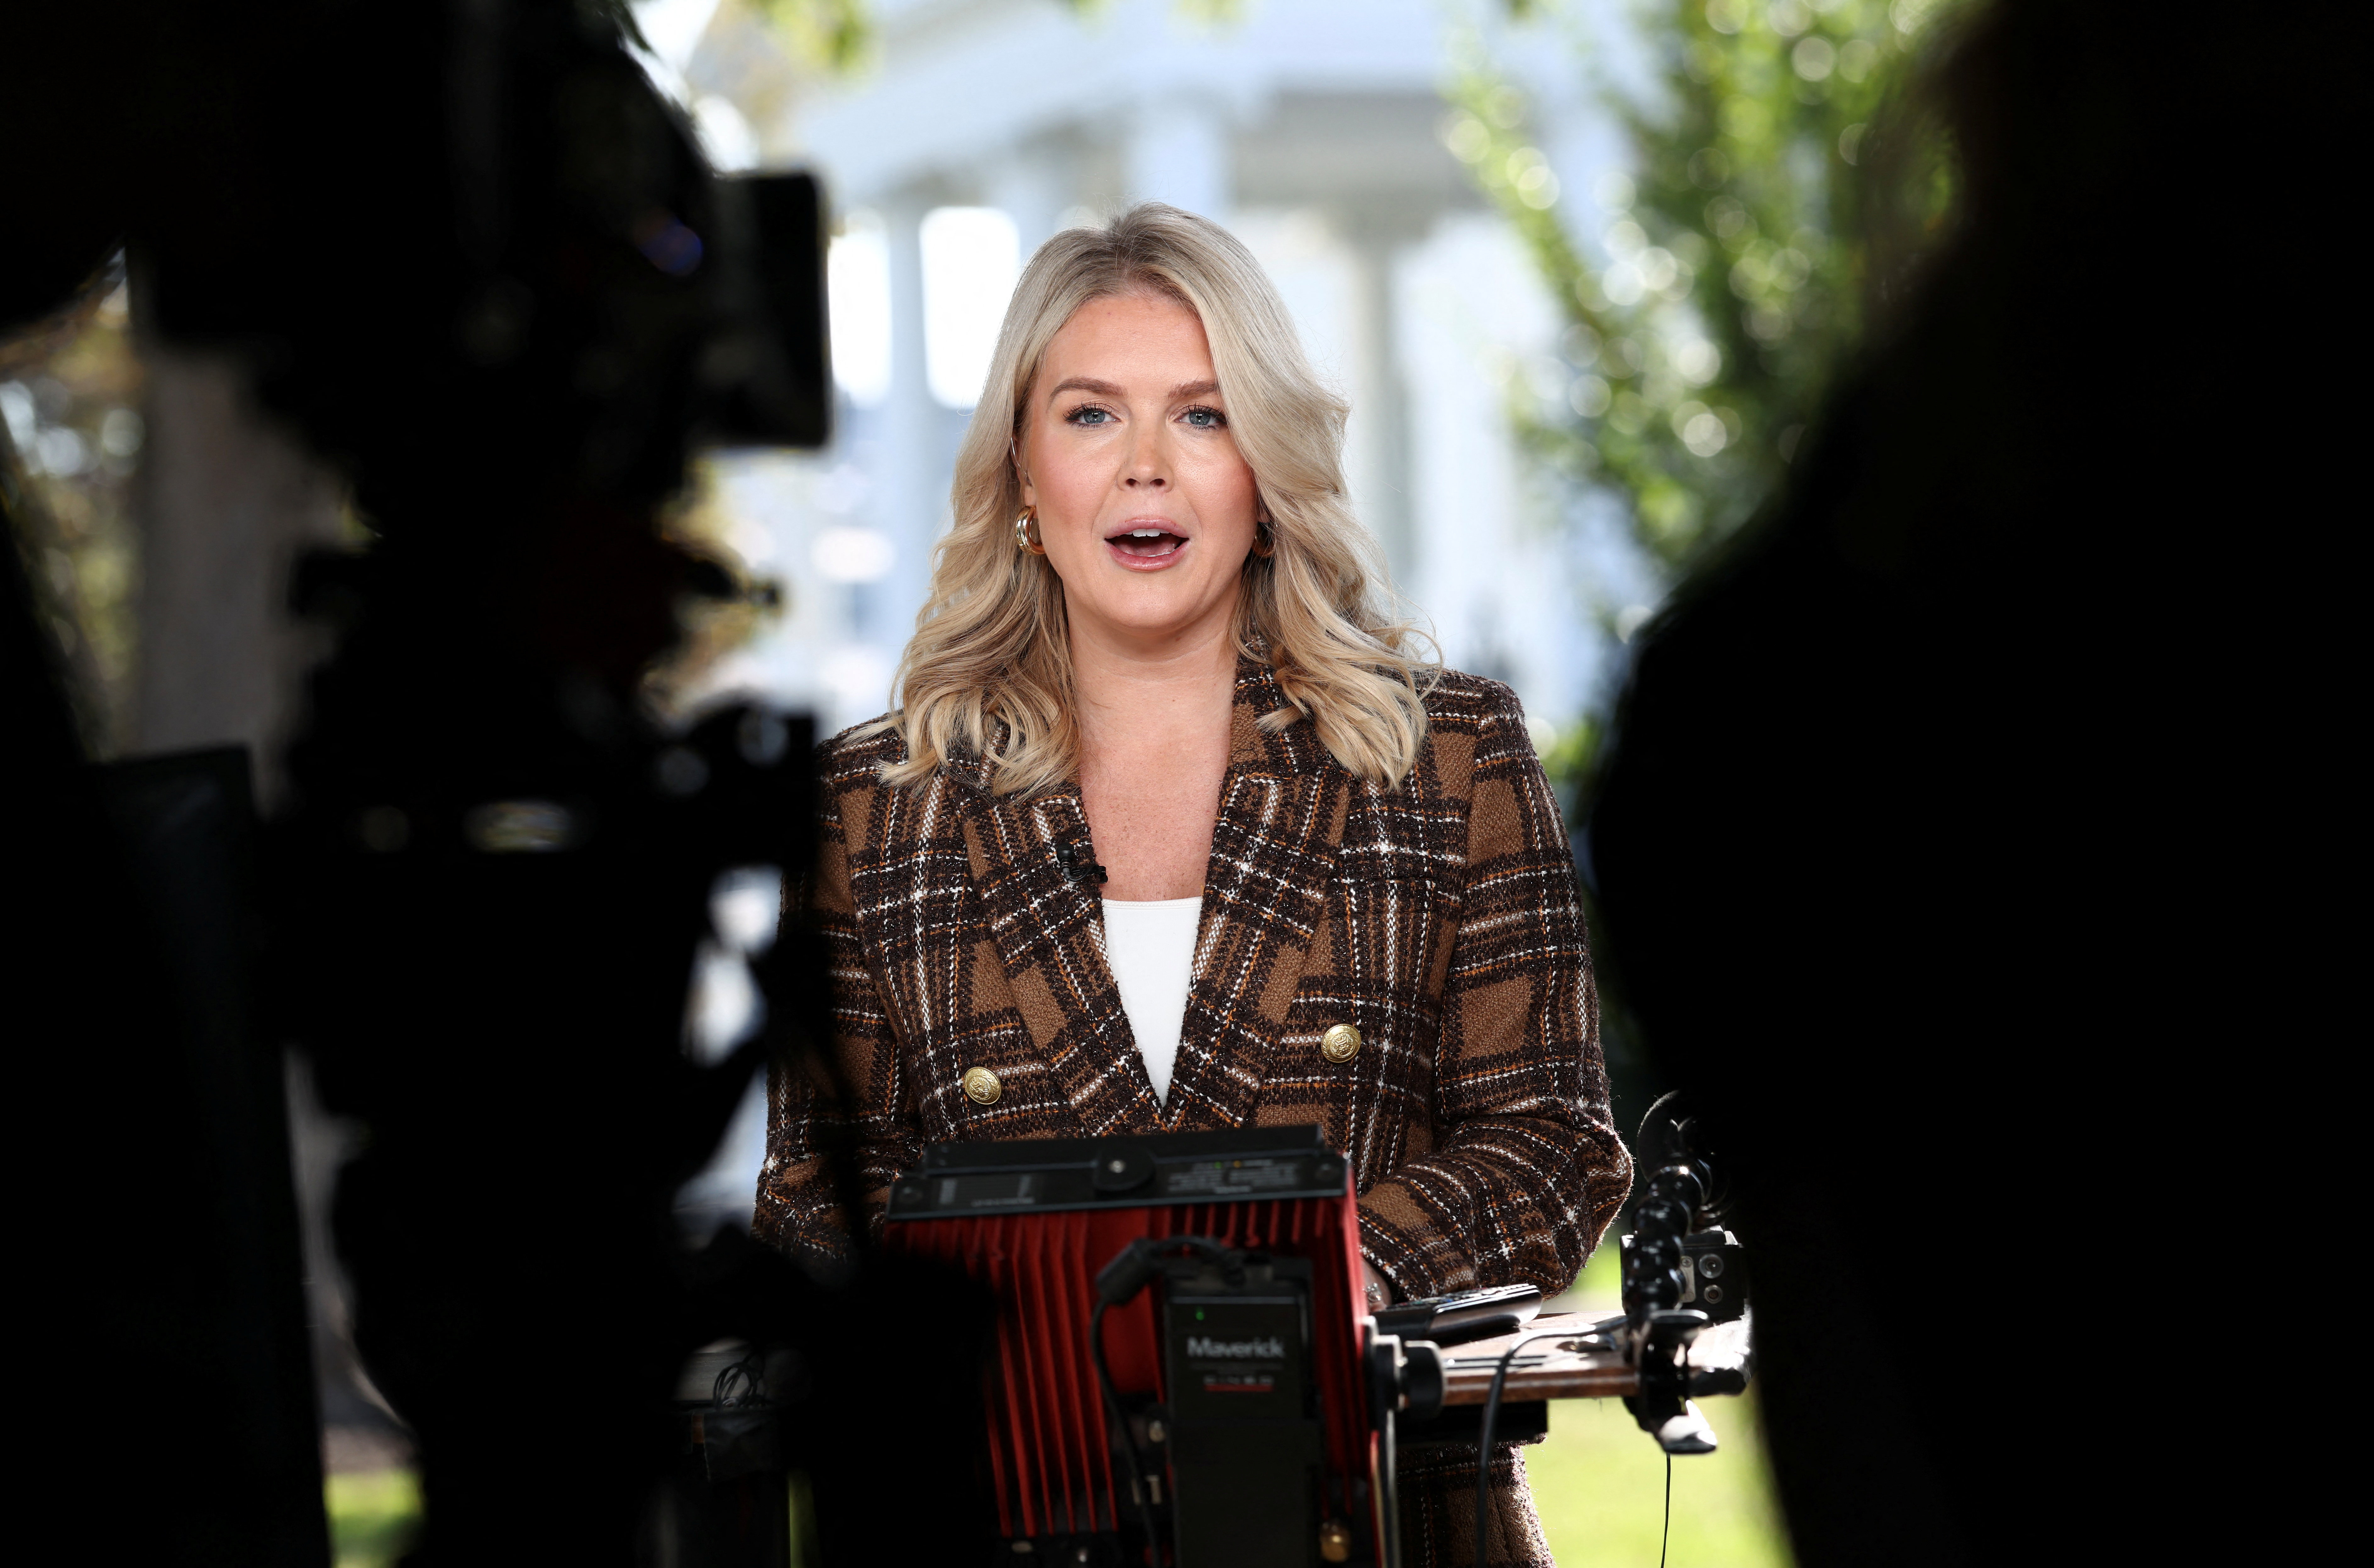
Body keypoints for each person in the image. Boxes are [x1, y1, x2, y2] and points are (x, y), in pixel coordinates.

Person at [757, 203, 1630, 1565]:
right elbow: (816, 1187)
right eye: (1092, 415)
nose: (1147, 469)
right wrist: (1043, 1323)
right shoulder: (874, 804)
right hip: (1004, 1522)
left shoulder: (1446, 754)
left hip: (1397, 1520)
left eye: (1205, 416)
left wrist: (1291, 1294)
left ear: (1267, 471)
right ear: (1020, 475)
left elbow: (1553, 1139)